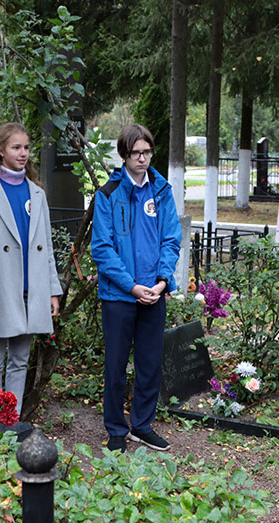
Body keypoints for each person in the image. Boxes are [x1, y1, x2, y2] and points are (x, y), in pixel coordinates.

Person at [91, 124, 182, 452]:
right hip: (119, 296)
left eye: (147, 152)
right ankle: (116, 428)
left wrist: (161, 281)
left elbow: (172, 239)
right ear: (124, 155)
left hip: (154, 294)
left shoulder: (162, 191)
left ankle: (142, 425)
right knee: (115, 365)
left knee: (149, 363)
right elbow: (102, 248)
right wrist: (132, 287)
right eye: (136, 153)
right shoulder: (107, 194)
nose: (143, 159)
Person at [0, 122, 62, 407]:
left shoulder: (36, 192)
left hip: (32, 289)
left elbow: (47, 246)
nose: (23, 153)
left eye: (26, 147)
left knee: (19, 360)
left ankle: (9, 420)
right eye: (16, 147)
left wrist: (52, 289)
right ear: (1, 151)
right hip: (2, 287)